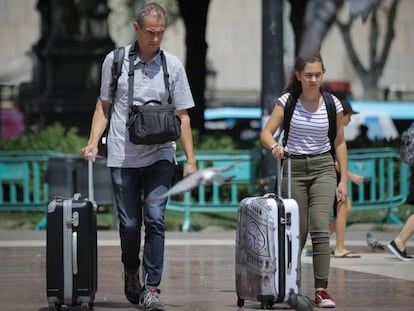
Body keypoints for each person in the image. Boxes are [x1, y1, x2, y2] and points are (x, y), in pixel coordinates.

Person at [81, 3, 197, 310]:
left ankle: (153, 288)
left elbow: (183, 115)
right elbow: (103, 106)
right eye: (150, 32)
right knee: (130, 224)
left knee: (155, 220)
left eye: (160, 33)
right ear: (137, 28)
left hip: (161, 154)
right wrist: (93, 142)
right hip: (122, 154)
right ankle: (131, 269)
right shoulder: (115, 61)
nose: (156, 39)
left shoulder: (173, 66)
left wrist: (191, 161)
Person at [261, 53, 348, 308]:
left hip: (323, 167)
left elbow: (340, 143)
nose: (313, 79)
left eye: (318, 75)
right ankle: (289, 285)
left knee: (320, 226)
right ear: (298, 75)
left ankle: (321, 289)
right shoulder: (287, 101)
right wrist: (275, 146)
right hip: (294, 169)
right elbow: (266, 133)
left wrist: (343, 180)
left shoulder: (333, 104)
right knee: (295, 232)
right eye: (308, 75)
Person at [329, 100, 364, 258]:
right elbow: (334, 161)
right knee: (343, 208)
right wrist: (351, 176)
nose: (350, 120)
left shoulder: (336, 130)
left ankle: (321, 242)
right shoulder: (335, 132)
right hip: (332, 177)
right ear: (341, 115)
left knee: (346, 209)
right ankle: (339, 248)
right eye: (349, 116)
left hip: (333, 177)